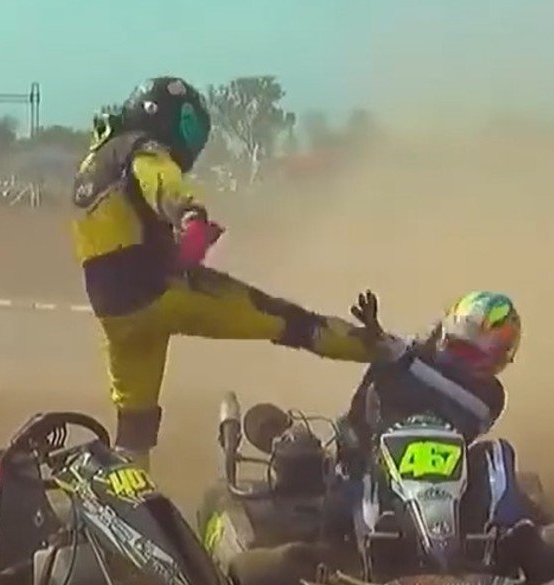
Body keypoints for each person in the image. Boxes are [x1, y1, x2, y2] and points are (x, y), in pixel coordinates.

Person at [70, 76, 380, 472]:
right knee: (289, 321)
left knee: (134, 424)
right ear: (164, 118)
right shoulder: (142, 150)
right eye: (188, 127)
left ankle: (127, 514)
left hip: (116, 315)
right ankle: (389, 349)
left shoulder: (94, 160)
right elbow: (163, 183)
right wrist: (190, 217)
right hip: (160, 293)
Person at [335, 290, 530, 533]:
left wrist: (404, 359)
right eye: (466, 352)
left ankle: (508, 534)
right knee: (352, 448)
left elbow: (467, 404)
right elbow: (360, 411)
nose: (471, 365)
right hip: (375, 467)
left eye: (486, 359)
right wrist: (384, 353)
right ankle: (374, 535)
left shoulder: (490, 396)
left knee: (499, 452)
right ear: (445, 337)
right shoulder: (398, 355)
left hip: (444, 480)